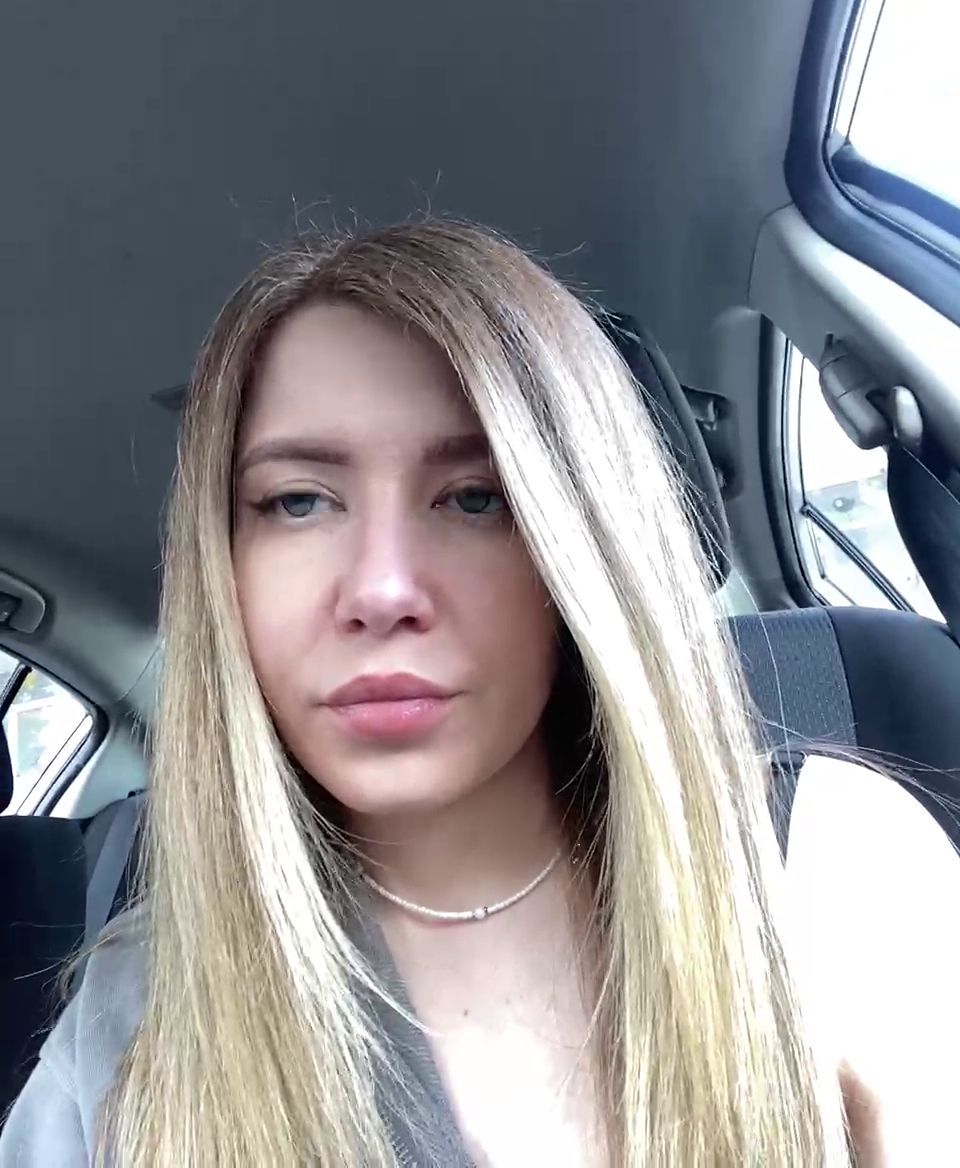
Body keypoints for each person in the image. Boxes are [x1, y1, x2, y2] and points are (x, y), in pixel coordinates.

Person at [2, 220, 958, 1167]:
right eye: (298, 501)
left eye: (475, 497)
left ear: (579, 547)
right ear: (225, 569)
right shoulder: (134, 1013)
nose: (382, 590)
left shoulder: (825, 870)